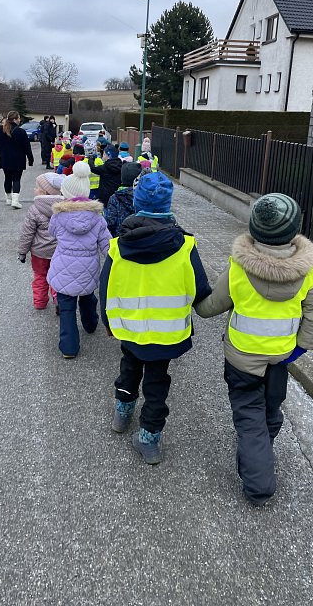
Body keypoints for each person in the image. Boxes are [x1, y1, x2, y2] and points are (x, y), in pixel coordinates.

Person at [194, 193, 313, 505]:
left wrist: (196, 303)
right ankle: (263, 445)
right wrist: (299, 349)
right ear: (294, 229)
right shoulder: (309, 273)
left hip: (241, 360)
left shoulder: (239, 269)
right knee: (270, 407)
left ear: (254, 228)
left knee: (248, 415)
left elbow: (212, 306)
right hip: (280, 359)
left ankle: (259, 484)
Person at [100, 172, 211, 464]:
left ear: (137, 203)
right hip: (167, 333)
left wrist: (108, 323)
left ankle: (122, 413)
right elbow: (200, 290)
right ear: (168, 204)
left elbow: (105, 288)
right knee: (157, 383)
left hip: (130, 328)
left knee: (129, 367)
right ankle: (149, 438)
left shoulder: (117, 247)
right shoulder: (185, 246)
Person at [47, 162, 111, 359]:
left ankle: (69, 348)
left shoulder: (58, 217)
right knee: (87, 297)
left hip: (64, 268)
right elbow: (107, 245)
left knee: (66, 308)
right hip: (88, 267)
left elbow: (52, 234)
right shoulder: (97, 218)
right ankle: (90, 324)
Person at [18, 173, 63, 311]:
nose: (34, 189)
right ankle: (58, 299)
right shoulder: (64, 208)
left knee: (40, 276)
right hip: (58, 251)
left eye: (37, 187)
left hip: (39, 253)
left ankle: (39, 302)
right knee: (57, 276)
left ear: (44, 192)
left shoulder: (34, 209)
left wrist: (22, 252)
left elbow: (27, 233)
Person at [0, 110, 34, 209]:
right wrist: (30, 160)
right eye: (18, 118)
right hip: (18, 160)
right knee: (16, 179)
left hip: (5, 159)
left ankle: (8, 199)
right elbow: (27, 148)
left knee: (7, 178)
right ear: (15, 119)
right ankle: (15, 201)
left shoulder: (0, 130)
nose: (19, 120)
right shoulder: (21, 132)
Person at [104, 162, 141, 237]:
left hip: (121, 238)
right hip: (141, 237)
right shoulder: (143, 196)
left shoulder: (115, 198)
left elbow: (110, 222)